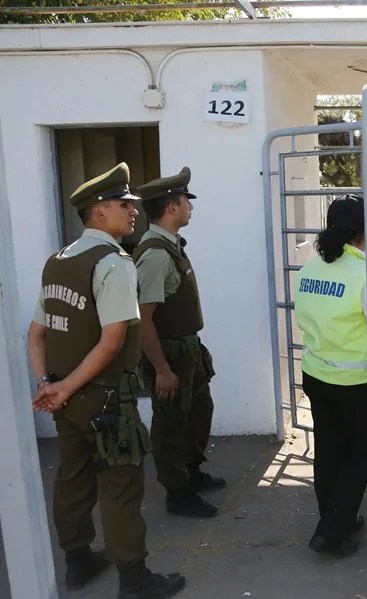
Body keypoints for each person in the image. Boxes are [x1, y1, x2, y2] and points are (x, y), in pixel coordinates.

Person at [27, 163, 185, 598]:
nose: (133, 211)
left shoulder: (58, 261)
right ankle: (134, 580)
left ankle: (78, 562)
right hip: (104, 399)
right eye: (123, 205)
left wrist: (50, 383)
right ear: (99, 213)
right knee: (121, 485)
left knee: (73, 476)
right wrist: (67, 386)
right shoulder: (114, 263)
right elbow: (113, 341)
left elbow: (36, 332)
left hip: (65, 395)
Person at [294, 194, 367, 557]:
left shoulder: (312, 268)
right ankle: (330, 532)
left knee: (329, 450)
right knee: (362, 454)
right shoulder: (365, 275)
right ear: (365, 231)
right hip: (356, 382)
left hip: (316, 374)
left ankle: (335, 519)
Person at [133, 167, 224, 520]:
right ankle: (178, 492)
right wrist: (161, 369)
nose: (190, 206)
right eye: (186, 200)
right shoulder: (156, 255)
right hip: (169, 352)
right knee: (171, 422)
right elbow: (143, 317)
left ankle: (191, 471)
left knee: (198, 411)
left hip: (187, 348)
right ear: (172, 206)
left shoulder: (170, 247)